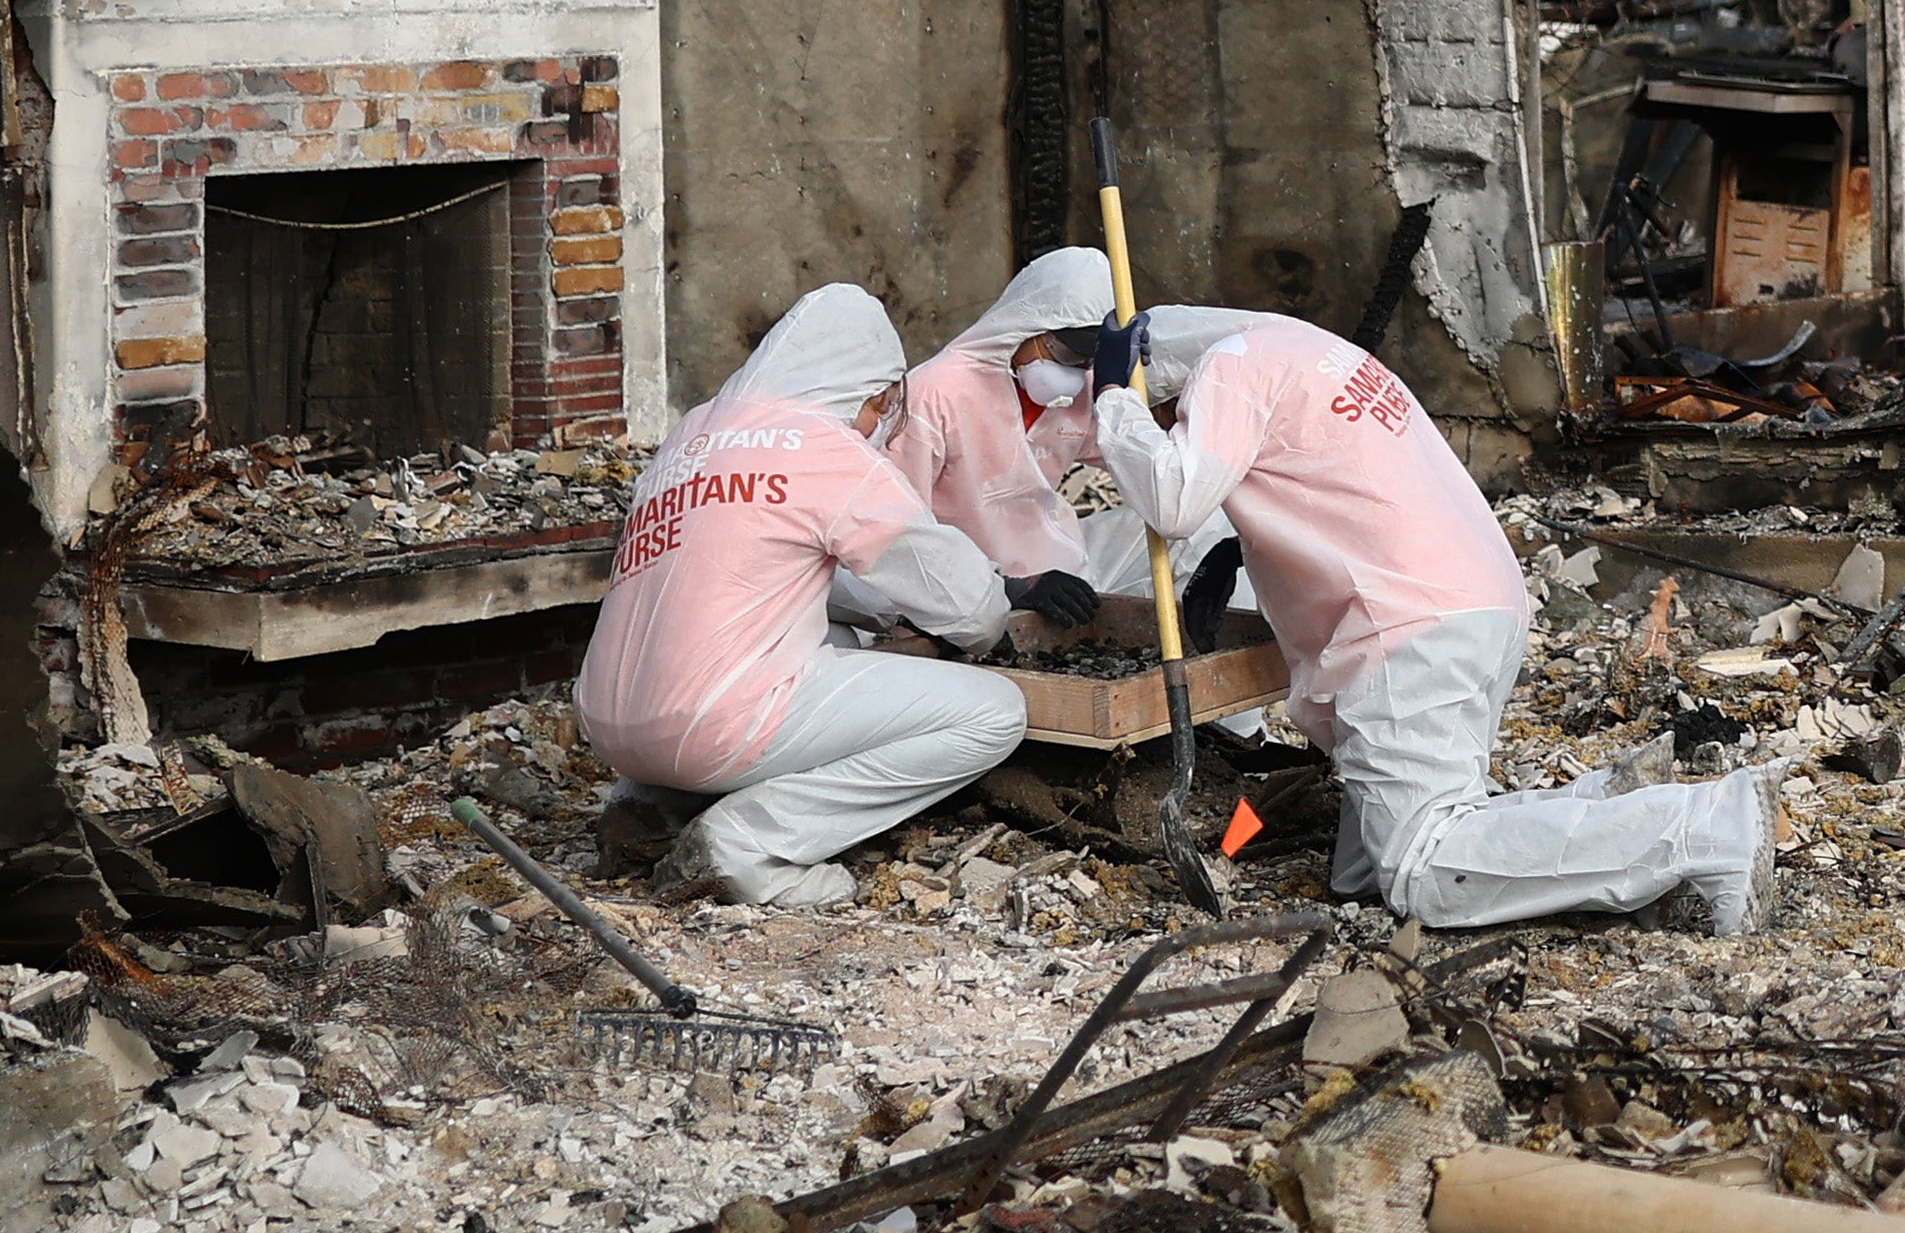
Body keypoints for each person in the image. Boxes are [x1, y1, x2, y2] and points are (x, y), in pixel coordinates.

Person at [1043, 304, 1773, 930]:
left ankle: (1702, 825)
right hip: (1474, 602)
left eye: (1171, 420)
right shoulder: (1303, 350)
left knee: (1420, 865)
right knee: (1361, 874)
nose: (1179, 429)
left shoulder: (1226, 367)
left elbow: (1171, 495)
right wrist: (1239, 547)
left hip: (1411, 628)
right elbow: (1335, 477)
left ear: (1163, 386)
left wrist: (1115, 399)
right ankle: (1608, 805)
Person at [578, 287, 1036, 910]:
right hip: (715, 725)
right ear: (871, 390)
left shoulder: (693, 434)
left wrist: (883, 616)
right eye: (881, 407)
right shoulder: (825, 447)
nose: (877, 424)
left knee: (840, 640)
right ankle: (747, 844)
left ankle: (648, 803)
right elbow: (969, 609)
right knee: (995, 712)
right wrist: (984, 624)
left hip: (609, 724)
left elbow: (765, 570)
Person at [884, 247, 1136, 610]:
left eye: (1087, 360)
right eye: (1066, 354)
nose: (1075, 370)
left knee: (1200, 531)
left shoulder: (1085, 389)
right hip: (965, 591)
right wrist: (1003, 588)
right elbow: (898, 530)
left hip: (1061, 570)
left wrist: (1131, 387)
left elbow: (1137, 455)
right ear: (1023, 329)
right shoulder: (935, 394)